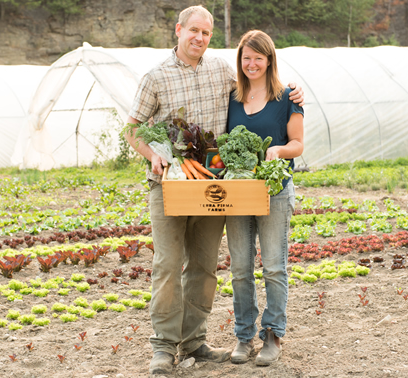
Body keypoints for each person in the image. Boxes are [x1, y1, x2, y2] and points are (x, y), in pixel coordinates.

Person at [124, 6, 304, 375]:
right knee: (168, 265)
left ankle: (194, 341)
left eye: (206, 33)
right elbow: (132, 129)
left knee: (205, 266)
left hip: (213, 186)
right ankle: (163, 347)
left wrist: (294, 91)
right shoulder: (155, 77)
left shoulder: (222, 70)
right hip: (170, 184)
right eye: (193, 31)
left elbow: (262, 87)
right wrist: (152, 156)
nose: (199, 38)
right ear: (178, 30)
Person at [225, 30, 304, 366]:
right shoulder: (231, 96)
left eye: (258, 57)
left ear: (269, 59)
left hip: (274, 190)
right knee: (241, 268)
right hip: (239, 193)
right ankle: (244, 337)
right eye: (246, 57)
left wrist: (279, 150)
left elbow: (298, 144)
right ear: (240, 61)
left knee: (273, 266)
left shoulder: (288, 97)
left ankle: (273, 335)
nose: (252, 63)